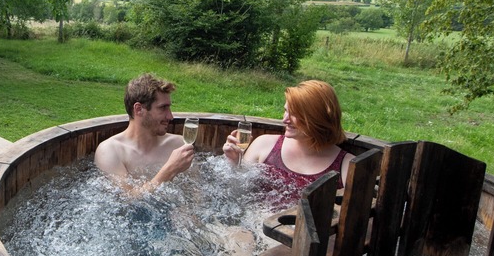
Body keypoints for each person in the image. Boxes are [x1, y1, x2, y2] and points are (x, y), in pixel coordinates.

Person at [224, 80, 352, 190]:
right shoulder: (264, 145)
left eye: (295, 114)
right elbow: (236, 193)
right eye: (286, 110)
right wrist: (234, 161)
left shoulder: (346, 166)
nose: (285, 120)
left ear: (317, 118)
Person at [94, 73, 196, 190]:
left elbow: (197, 194)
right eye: (163, 108)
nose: (170, 116)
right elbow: (127, 201)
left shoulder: (178, 144)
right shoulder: (111, 151)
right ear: (139, 109)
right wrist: (169, 169)